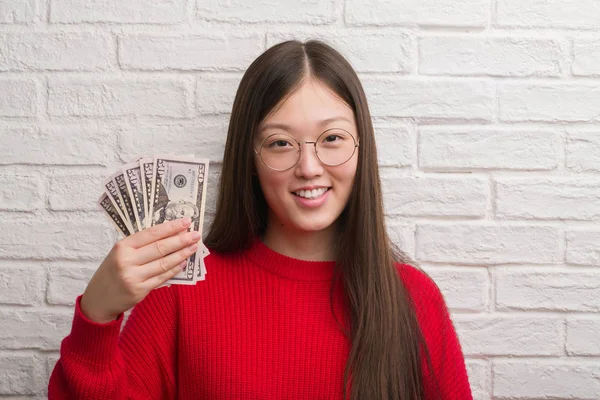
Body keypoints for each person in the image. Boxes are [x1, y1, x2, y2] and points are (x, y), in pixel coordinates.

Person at [48, 39, 473, 400]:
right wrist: (97, 316)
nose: (309, 166)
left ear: (362, 149)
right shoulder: (179, 293)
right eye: (280, 143)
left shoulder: (414, 299)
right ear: (249, 159)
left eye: (332, 139)